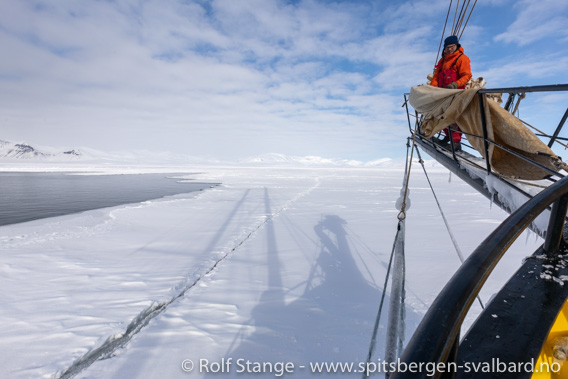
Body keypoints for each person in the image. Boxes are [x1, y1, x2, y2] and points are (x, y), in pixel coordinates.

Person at [430, 35, 472, 151]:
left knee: (454, 117)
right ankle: (447, 137)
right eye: (447, 47)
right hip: (442, 93)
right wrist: (433, 88)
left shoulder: (462, 59)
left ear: (456, 46)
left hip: (456, 93)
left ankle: (456, 143)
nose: (449, 49)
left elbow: (467, 75)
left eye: (451, 47)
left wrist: (455, 84)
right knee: (443, 115)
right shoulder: (442, 60)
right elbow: (436, 76)